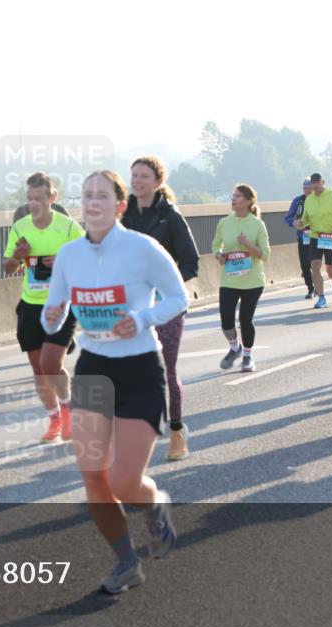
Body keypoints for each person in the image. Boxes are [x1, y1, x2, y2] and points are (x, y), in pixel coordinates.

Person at [42, 170, 188, 594]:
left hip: (140, 369)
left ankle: (155, 502)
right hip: (92, 368)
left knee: (125, 481)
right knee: (93, 477)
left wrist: (142, 319)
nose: (92, 203)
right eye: (86, 195)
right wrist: (50, 316)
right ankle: (126, 561)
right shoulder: (69, 255)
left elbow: (177, 297)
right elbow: (55, 306)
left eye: (102, 196)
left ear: (119, 206)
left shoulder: (143, 248)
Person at [123, 156, 199, 460]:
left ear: (158, 182)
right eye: (134, 175)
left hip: (166, 306)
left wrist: (164, 285)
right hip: (130, 306)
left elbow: (191, 262)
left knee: (166, 370)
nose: (138, 181)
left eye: (144, 176)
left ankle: (177, 431)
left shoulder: (171, 217)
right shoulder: (122, 214)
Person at [4, 172, 85, 442]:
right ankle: (55, 420)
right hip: (30, 305)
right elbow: (8, 268)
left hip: (61, 304)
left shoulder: (69, 227)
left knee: (51, 363)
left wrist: (61, 261)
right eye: (29, 199)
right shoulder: (20, 227)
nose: (33, 204)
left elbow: (88, 260)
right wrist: (17, 256)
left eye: (39, 198)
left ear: (52, 198)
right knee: (38, 368)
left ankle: (69, 411)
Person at [212, 184, 272, 373]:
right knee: (226, 320)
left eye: (237, 196)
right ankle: (234, 347)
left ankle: (247, 355)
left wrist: (247, 245)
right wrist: (219, 255)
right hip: (229, 279)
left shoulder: (257, 224)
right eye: (233, 196)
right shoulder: (224, 223)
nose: (233, 199)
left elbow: (266, 255)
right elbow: (215, 245)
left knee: (245, 319)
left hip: (252, 281)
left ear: (248, 201)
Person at [298, 173, 332, 308]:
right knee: (314, 265)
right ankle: (321, 297)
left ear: (323, 182)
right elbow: (305, 219)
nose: (315, 185)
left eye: (317, 182)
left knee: (330, 269)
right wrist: (300, 223)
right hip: (316, 236)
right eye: (313, 183)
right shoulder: (309, 200)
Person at [285, 178, 315, 298]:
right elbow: (287, 218)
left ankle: (318, 284)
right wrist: (294, 222)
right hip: (303, 237)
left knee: (315, 263)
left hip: (317, 237)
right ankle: (310, 288)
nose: (307, 191)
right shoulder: (298, 201)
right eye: (305, 188)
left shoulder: (319, 200)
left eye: (310, 188)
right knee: (304, 264)